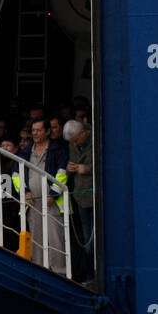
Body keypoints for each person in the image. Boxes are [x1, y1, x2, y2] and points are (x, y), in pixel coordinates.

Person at [13, 118, 70, 276]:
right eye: (33, 130)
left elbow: (62, 172)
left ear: (47, 131)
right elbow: (16, 175)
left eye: (39, 130)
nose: (35, 133)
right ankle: (40, 273)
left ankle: (60, 274)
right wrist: (24, 191)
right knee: (37, 239)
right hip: (32, 202)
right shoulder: (25, 151)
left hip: (52, 202)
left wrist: (53, 193)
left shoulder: (58, 149)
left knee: (55, 238)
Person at [64, 119, 95, 281]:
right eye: (72, 142)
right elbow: (72, 163)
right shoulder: (73, 144)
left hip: (95, 195)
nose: (75, 144)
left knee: (93, 239)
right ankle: (89, 276)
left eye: (76, 140)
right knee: (86, 239)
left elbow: (105, 164)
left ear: (84, 133)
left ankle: (95, 276)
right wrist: (70, 169)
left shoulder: (95, 139)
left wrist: (87, 169)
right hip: (80, 195)